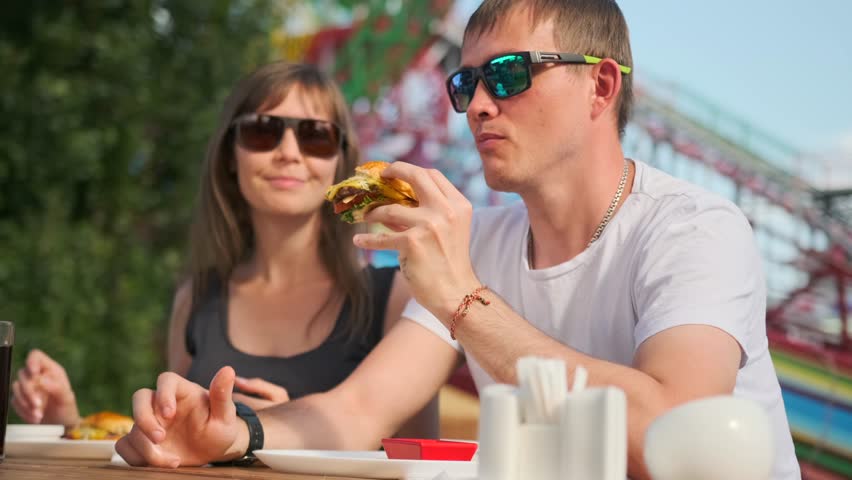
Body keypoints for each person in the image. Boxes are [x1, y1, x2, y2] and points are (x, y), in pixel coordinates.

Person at [115, 1, 799, 478]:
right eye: (466, 80)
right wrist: (234, 435)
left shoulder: (695, 229)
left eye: (508, 75)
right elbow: (359, 411)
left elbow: (677, 440)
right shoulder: (489, 239)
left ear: (601, 85)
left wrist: (466, 300)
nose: (476, 104)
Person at [11, 61, 435, 437]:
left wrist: (285, 425)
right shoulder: (196, 300)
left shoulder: (397, 297)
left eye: (315, 136)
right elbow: (168, 441)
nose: (288, 153)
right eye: (262, 131)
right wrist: (66, 426)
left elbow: (425, 461)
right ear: (231, 155)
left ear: (339, 162)